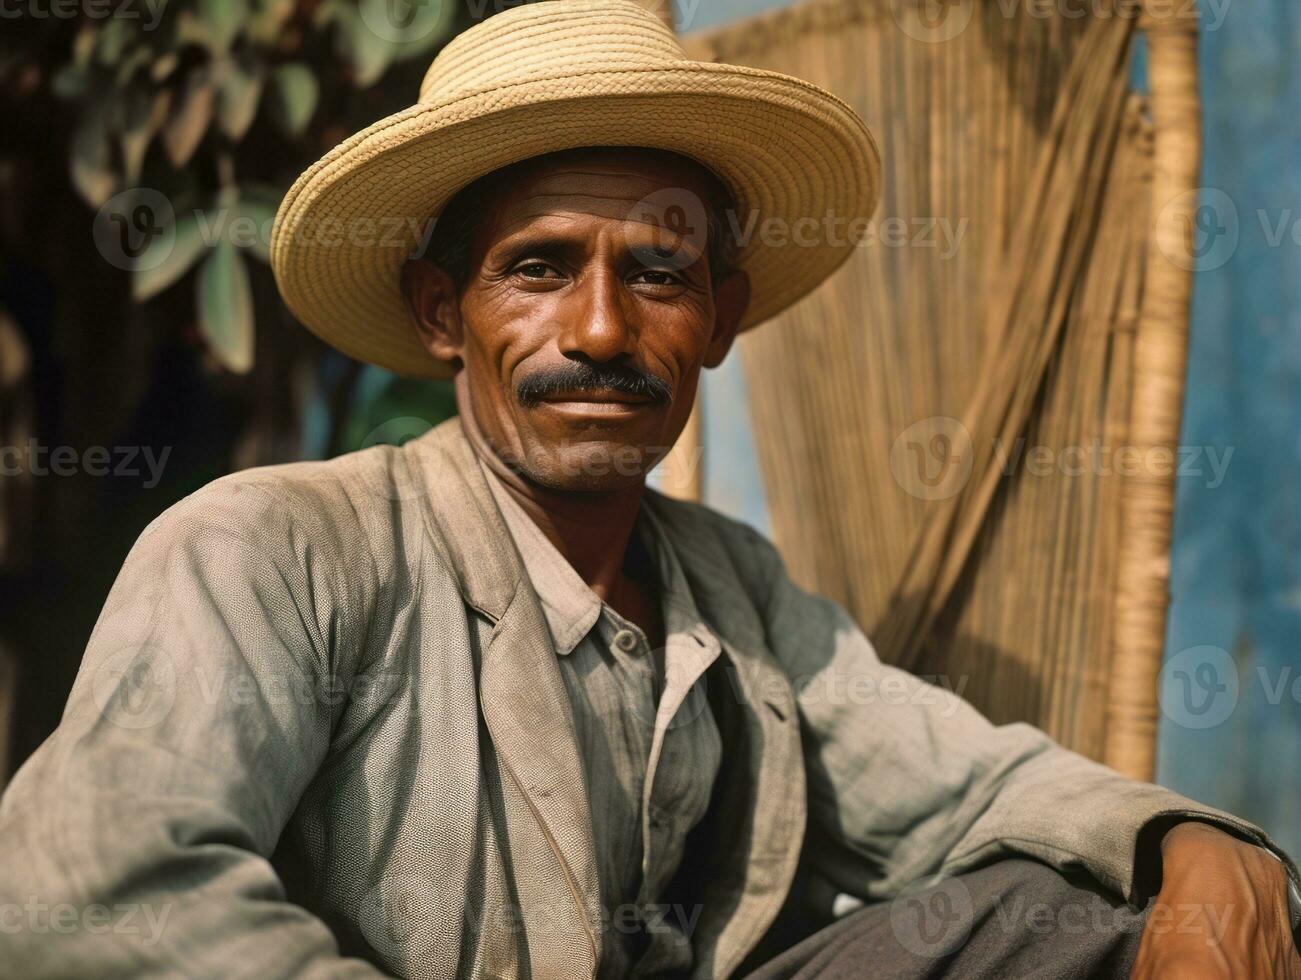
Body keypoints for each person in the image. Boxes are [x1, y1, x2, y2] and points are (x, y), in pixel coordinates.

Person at [2, 2, 1298, 977]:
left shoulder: (728, 587)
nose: (604, 330)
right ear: (443, 312)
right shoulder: (271, 549)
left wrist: (1189, 844)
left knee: (1072, 908)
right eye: (540, 266)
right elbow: (101, 884)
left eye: (659, 274)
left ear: (720, 318)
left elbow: (961, 785)